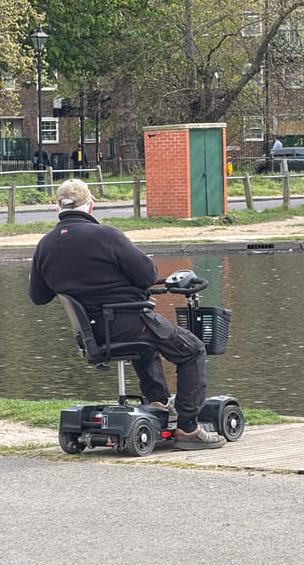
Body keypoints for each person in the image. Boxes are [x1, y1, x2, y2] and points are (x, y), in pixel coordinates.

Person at [28, 178, 225, 450]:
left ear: (56, 208)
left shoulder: (45, 246)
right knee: (192, 349)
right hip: (128, 321)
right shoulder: (106, 235)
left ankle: (157, 403)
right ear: (90, 206)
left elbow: (38, 297)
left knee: (147, 345)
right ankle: (188, 428)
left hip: (91, 334)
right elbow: (147, 275)